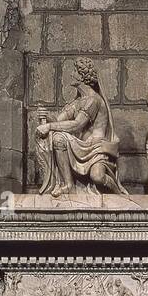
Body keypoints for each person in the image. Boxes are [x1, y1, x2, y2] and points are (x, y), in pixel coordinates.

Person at [35, 58, 128, 199]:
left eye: (75, 71)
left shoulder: (93, 100)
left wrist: (48, 126)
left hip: (96, 149)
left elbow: (77, 124)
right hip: (80, 147)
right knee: (58, 138)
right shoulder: (78, 102)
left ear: (82, 76)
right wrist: (46, 117)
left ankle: (119, 194)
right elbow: (59, 121)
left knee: (97, 176)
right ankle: (68, 184)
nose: (72, 74)